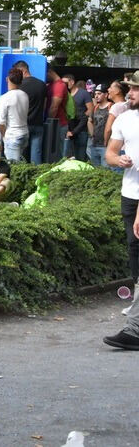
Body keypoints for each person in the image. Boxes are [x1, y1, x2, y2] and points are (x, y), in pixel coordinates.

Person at [105, 72, 139, 324]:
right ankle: (137, 299)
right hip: (130, 193)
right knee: (134, 246)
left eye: (136, 89)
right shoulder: (125, 118)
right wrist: (119, 160)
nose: (130, 94)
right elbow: (110, 153)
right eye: (130, 89)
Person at [13, 60, 47, 164]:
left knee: (22, 154)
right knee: (36, 153)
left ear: (22, 70)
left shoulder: (20, 86)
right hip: (38, 123)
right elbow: (45, 105)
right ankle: (36, 177)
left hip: (23, 125)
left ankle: (23, 176)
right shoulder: (41, 84)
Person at [0, 67, 29, 162]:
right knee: (21, 166)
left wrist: (4, 136)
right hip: (25, 133)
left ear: (7, 79)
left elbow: (1, 122)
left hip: (12, 135)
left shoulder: (4, 98)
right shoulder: (25, 95)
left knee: (13, 168)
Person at [63, 73, 93, 161]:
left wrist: (82, 118)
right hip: (68, 129)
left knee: (80, 156)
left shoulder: (84, 93)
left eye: (65, 83)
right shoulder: (66, 94)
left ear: (72, 82)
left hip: (81, 129)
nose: (63, 85)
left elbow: (90, 109)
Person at [46, 67, 70, 154]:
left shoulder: (59, 85)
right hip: (56, 123)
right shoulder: (52, 84)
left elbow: (54, 107)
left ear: (49, 72)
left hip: (58, 124)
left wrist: (48, 122)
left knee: (58, 153)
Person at [89, 83, 111, 167]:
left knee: (105, 171)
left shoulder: (111, 107)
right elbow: (90, 121)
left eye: (99, 93)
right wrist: (92, 135)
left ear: (106, 95)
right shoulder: (95, 107)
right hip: (94, 144)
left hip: (106, 145)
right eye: (95, 94)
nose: (96, 96)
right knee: (96, 171)